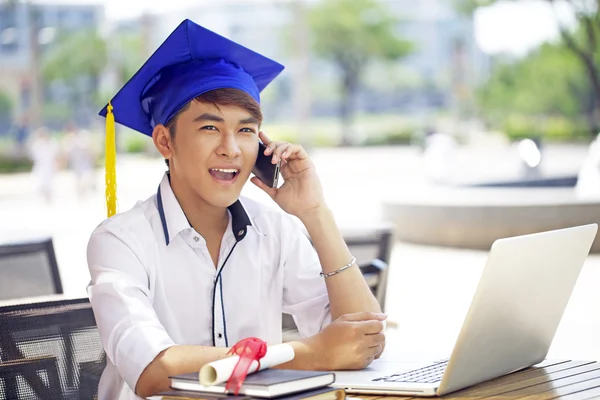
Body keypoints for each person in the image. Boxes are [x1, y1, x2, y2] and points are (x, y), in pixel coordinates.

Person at [87, 19, 386, 400]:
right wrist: (309, 353)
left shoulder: (275, 230)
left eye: (246, 130)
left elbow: (363, 339)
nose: (231, 148)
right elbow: (153, 369)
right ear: (165, 140)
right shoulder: (120, 240)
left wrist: (315, 213)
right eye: (210, 128)